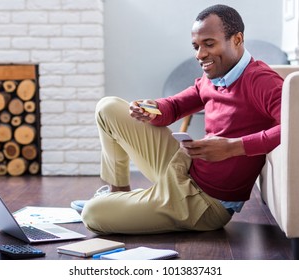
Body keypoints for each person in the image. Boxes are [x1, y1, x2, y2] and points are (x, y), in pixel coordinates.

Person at [74, 4, 283, 235]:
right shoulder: (214, 76)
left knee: (92, 213)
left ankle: (124, 203)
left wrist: (234, 147)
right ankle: (118, 192)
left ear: (237, 39)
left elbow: (295, 128)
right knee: (108, 107)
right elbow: (174, 106)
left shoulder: (261, 81)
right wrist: (152, 109)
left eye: (209, 44)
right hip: (185, 167)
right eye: (196, 46)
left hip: (203, 204)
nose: (200, 54)